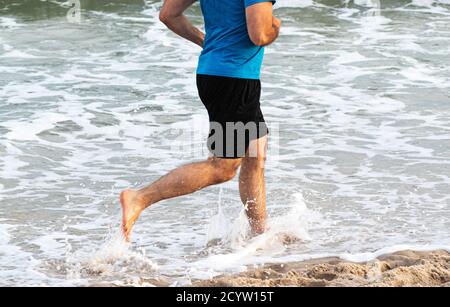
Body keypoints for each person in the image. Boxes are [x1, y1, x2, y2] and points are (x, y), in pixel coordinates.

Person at [120, 0, 281, 241]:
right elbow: (259, 34)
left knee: (255, 153)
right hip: (234, 80)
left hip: (216, 74)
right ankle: (140, 197)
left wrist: (207, 42)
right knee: (223, 167)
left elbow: (168, 14)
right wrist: (275, 27)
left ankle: (259, 232)